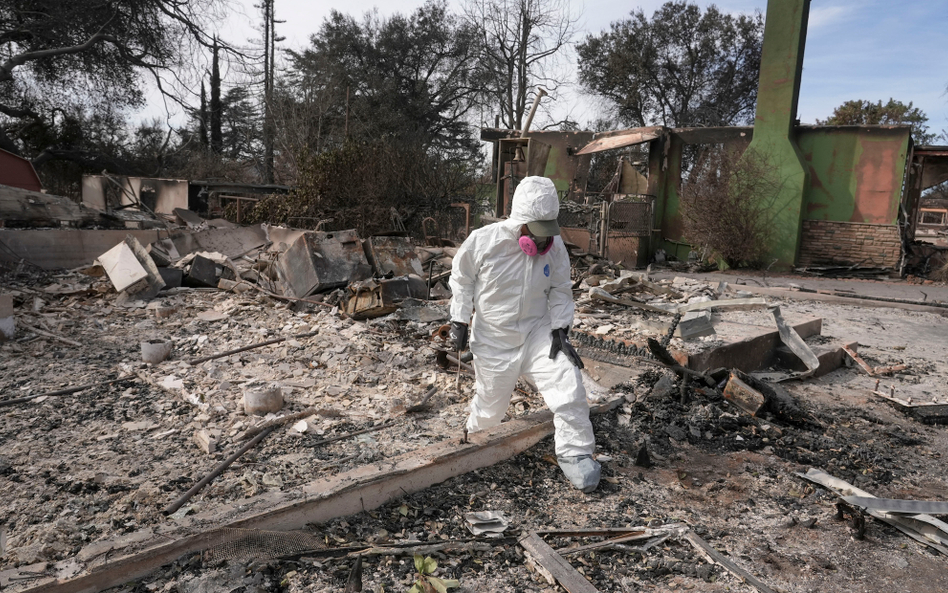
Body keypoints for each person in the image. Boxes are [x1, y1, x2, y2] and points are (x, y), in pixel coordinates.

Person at [448, 176, 600, 493]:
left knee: (567, 384)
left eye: (549, 232)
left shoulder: (555, 247)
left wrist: (560, 330)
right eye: (538, 232)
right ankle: (475, 444)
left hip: (537, 332)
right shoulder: (482, 242)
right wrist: (459, 320)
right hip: (493, 339)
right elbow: (461, 281)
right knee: (490, 409)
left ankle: (575, 454)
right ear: (520, 224)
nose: (544, 242)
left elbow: (560, 290)